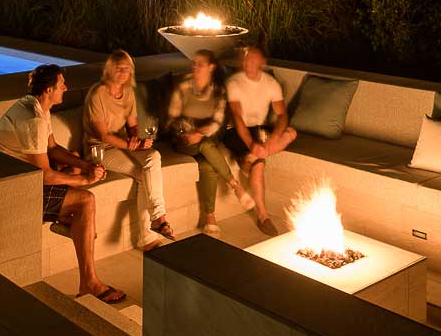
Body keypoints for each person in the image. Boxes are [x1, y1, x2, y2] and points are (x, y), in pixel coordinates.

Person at [0, 65, 124, 303]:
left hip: (21, 178)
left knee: (73, 162)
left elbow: (52, 148)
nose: (66, 88)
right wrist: (84, 180)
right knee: (86, 200)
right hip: (13, 191)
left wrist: (85, 165)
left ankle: (68, 221)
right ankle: (89, 282)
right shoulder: (34, 120)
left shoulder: (37, 108)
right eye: (62, 84)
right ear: (49, 90)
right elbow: (44, 176)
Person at [85, 49, 175, 247]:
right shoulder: (97, 94)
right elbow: (103, 135)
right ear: (109, 69)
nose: (123, 73)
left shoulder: (127, 93)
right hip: (100, 149)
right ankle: (150, 234)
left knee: (154, 156)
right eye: (119, 68)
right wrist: (131, 144)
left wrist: (135, 137)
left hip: (123, 144)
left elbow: (132, 125)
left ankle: (157, 219)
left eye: (126, 69)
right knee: (144, 174)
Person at [166, 48, 254, 235]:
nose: (195, 67)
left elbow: (217, 121)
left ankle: (210, 218)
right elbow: (172, 117)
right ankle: (236, 186)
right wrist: (188, 131)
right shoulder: (183, 87)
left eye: (200, 64)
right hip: (182, 139)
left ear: (211, 67)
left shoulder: (218, 92)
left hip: (204, 140)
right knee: (206, 145)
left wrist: (200, 133)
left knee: (207, 166)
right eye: (194, 63)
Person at [223, 42, 296, 234]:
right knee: (258, 165)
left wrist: (274, 138)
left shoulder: (271, 84)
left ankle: (251, 158)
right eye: (246, 60)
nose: (248, 64)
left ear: (262, 62)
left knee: (290, 133)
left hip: (258, 129)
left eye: (253, 60)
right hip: (235, 131)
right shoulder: (234, 83)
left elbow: (282, 115)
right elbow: (236, 117)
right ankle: (263, 217)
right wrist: (251, 144)